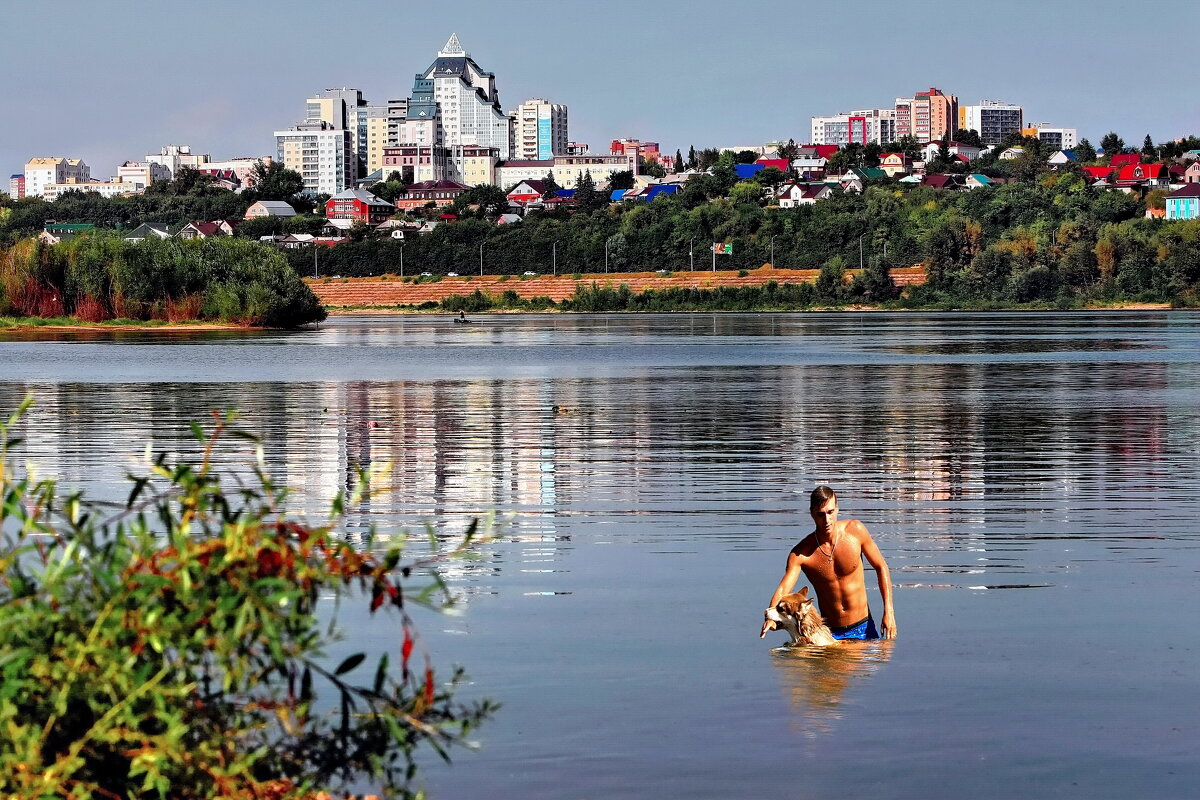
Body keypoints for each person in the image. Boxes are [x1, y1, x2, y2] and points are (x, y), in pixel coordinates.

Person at [760, 486, 896, 640]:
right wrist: (771, 617)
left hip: (864, 626)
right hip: (829, 634)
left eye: (830, 512)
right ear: (811, 513)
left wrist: (888, 612)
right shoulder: (801, 553)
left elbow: (881, 566)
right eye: (820, 515)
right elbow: (784, 588)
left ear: (837, 509)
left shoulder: (855, 531)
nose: (827, 520)